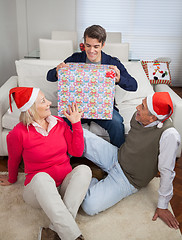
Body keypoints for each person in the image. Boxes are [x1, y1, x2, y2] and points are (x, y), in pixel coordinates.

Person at [0, 87, 92, 240]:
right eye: (43, 101)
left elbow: (77, 152)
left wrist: (76, 124)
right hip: (37, 191)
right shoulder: (17, 133)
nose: (50, 102)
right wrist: (11, 178)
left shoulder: (60, 123)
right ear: (30, 110)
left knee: (84, 169)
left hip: (62, 186)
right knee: (42, 177)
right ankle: (74, 237)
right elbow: (14, 159)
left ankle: (52, 231)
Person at [81, 92, 181, 230]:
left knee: (89, 206)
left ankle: (92, 180)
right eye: (141, 103)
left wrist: (163, 206)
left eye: (143, 106)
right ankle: (100, 178)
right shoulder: (139, 116)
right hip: (117, 156)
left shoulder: (169, 135)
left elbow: (167, 171)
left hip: (128, 179)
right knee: (80, 134)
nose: (137, 108)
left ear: (153, 118)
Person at [47, 24, 138, 148]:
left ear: (103, 45)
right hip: (77, 109)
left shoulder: (112, 62)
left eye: (96, 46)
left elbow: (134, 85)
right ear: (84, 43)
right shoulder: (75, 58)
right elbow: (49, 76)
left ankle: (119, 157)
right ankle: (63, 157)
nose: (91, 50)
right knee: (62, 123)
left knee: (117, 123)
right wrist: (57, 72)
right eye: (88, 45)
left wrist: (119, 79)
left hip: (103, 108)